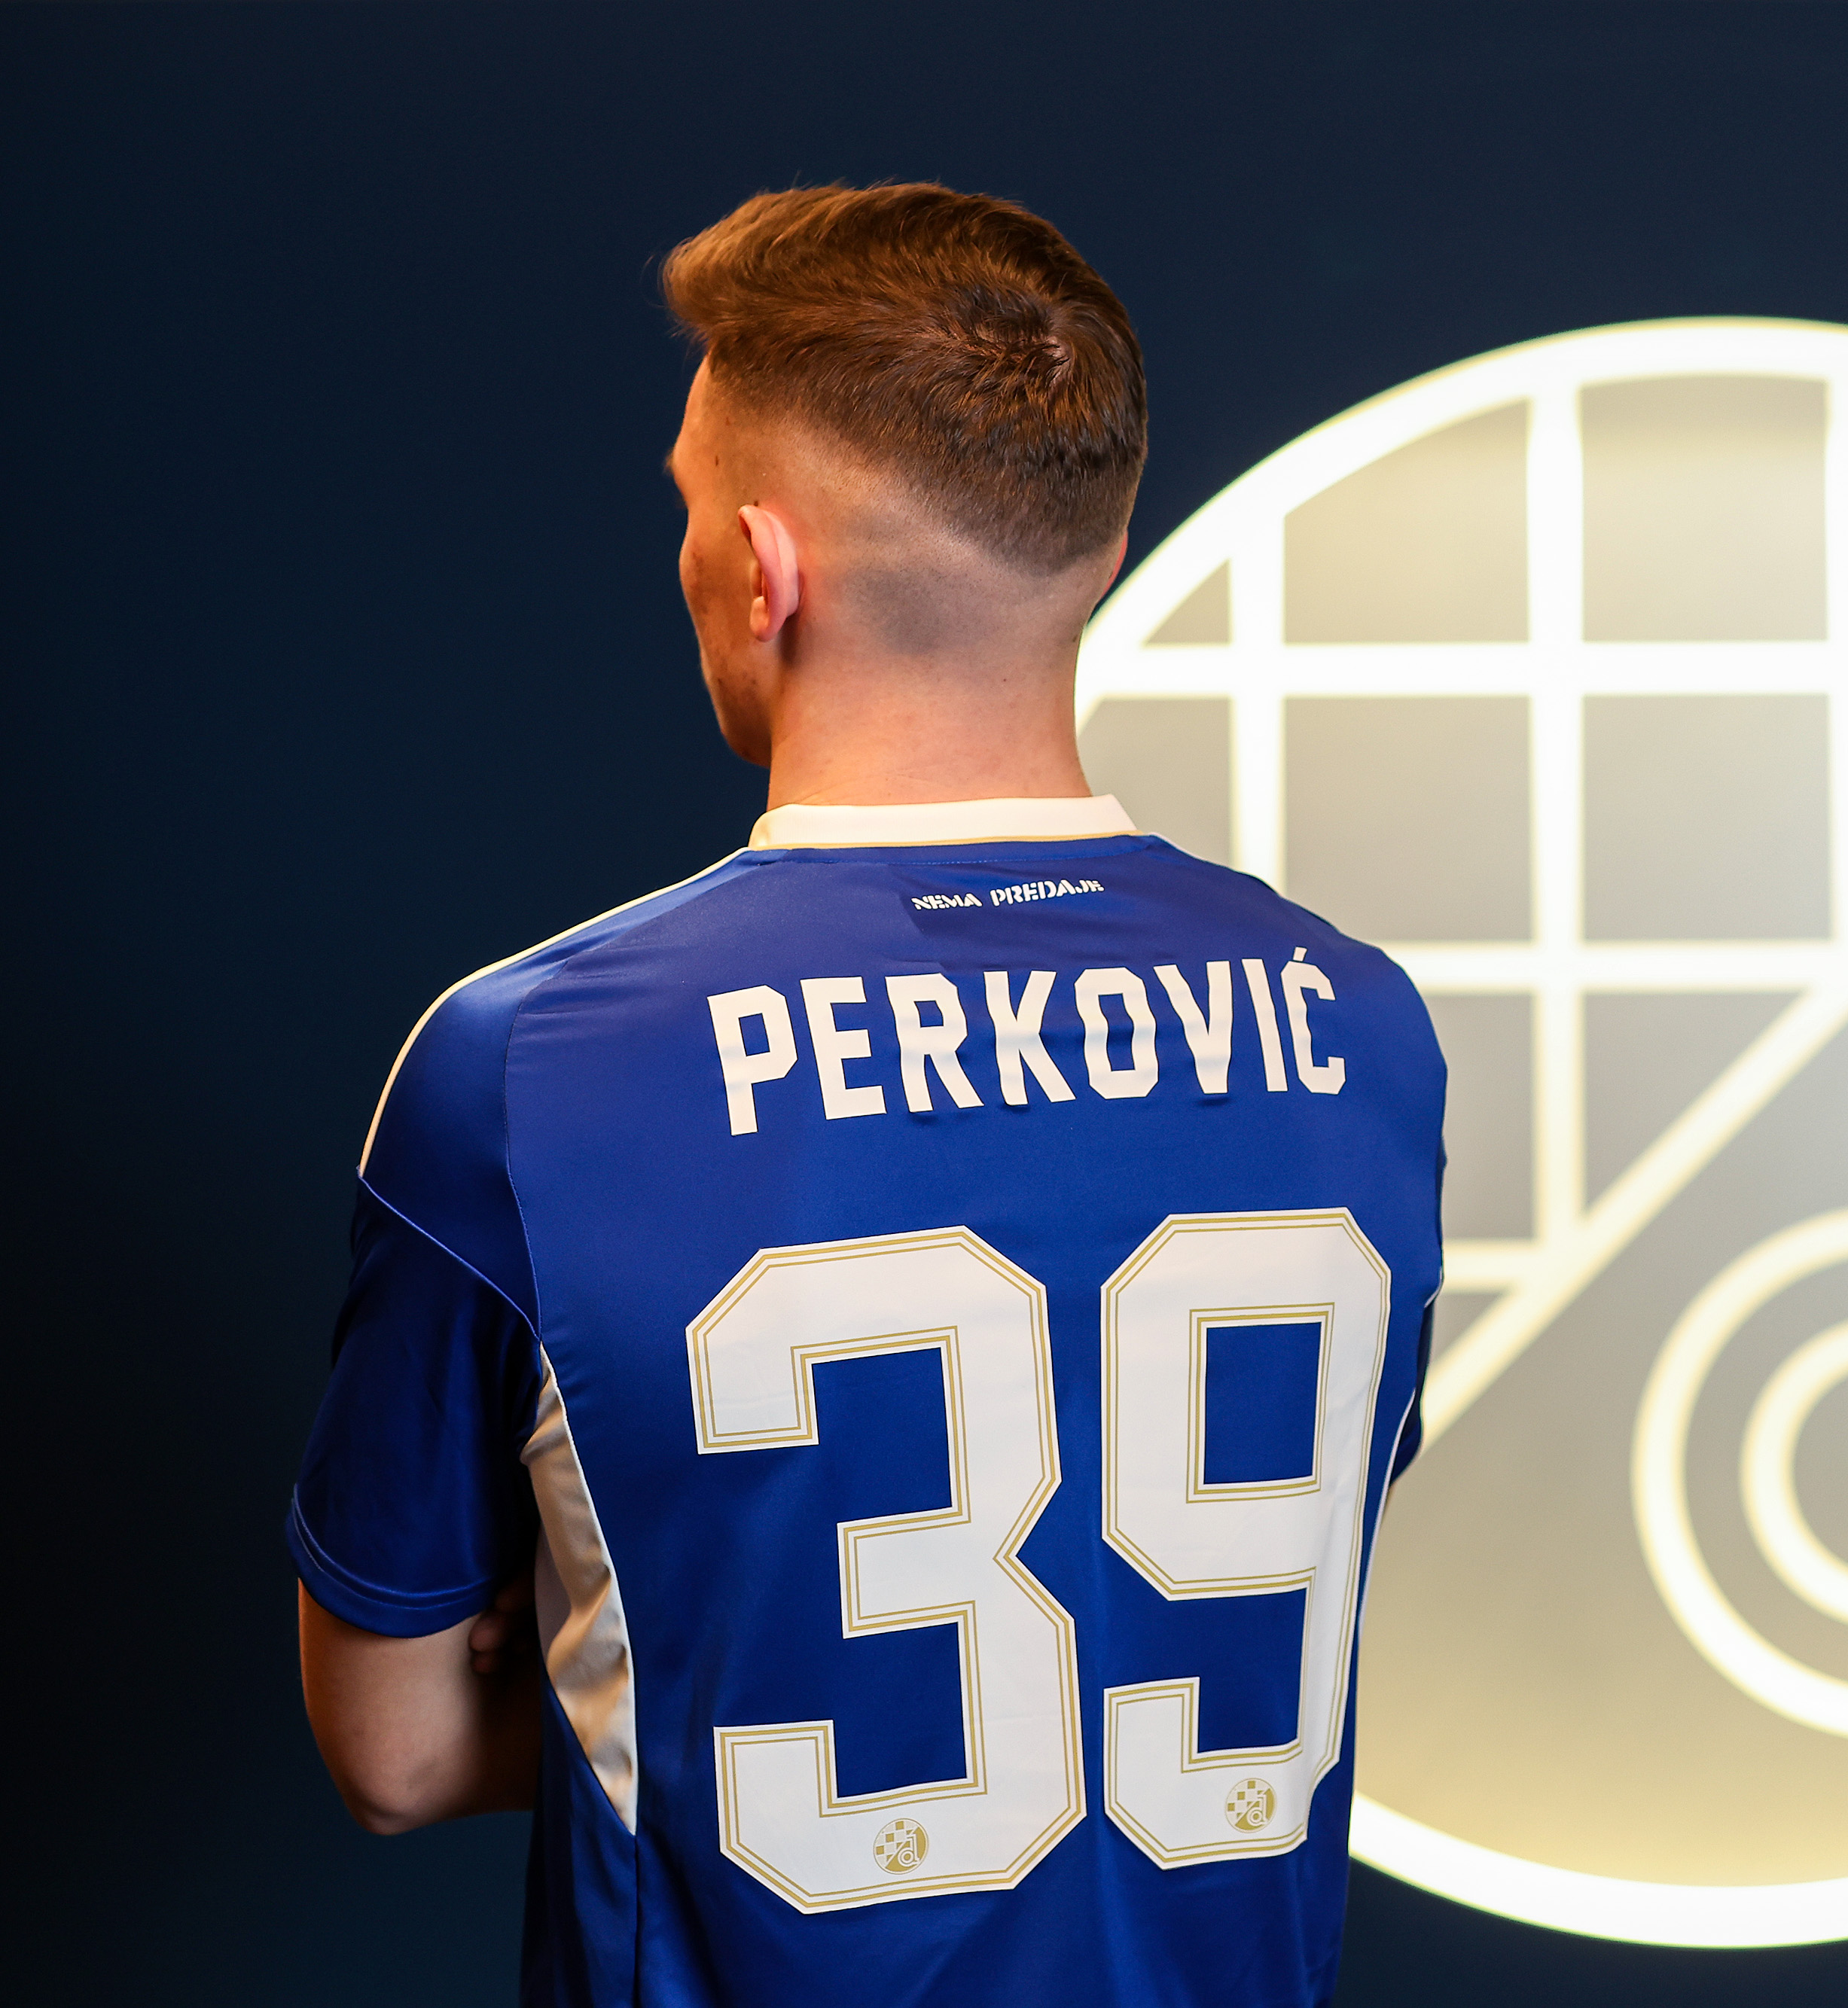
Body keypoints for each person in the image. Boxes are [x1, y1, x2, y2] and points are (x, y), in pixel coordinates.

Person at [287, 182, 1445, 2007]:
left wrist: (684, 1644)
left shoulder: (527, 1065)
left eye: (687, 506)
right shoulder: (1361, 1026)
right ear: (1101, 544)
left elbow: (400, 1747)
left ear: (762, 567)